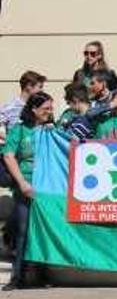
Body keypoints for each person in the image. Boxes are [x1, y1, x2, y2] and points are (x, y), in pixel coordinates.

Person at [3, 91, 54, 290]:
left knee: (43, 232)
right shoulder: (20, 130)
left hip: (46, 190)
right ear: (33, 109)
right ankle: (17, 277)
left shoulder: (50, 130)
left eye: (51, 109)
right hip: (26, 187)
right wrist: (22, 183)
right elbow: (8, 156)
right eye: (45, 109)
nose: (49, 113)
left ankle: (42, 274)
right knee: (23, 232)